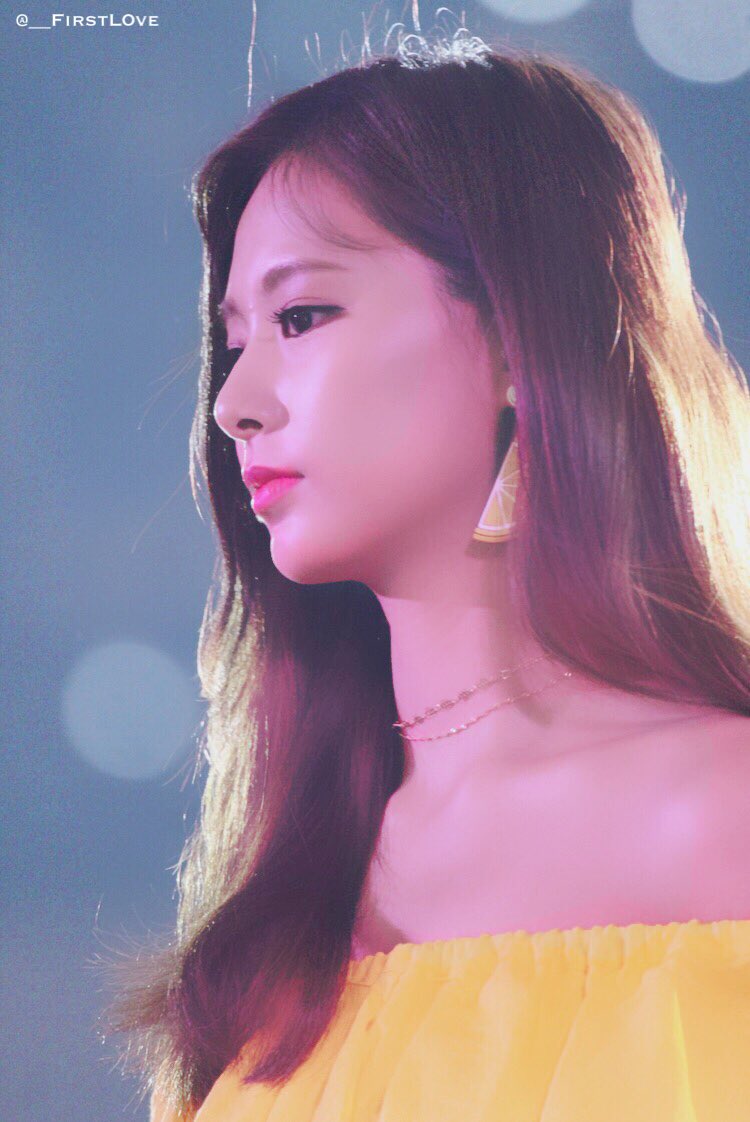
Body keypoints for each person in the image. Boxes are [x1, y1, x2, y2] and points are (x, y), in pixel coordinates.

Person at [104, 27, 750, 1122]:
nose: (234, 404)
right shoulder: (291, 889)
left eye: (302, 316)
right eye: (237, 340)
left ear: (515, 337)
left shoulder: (718, 816)